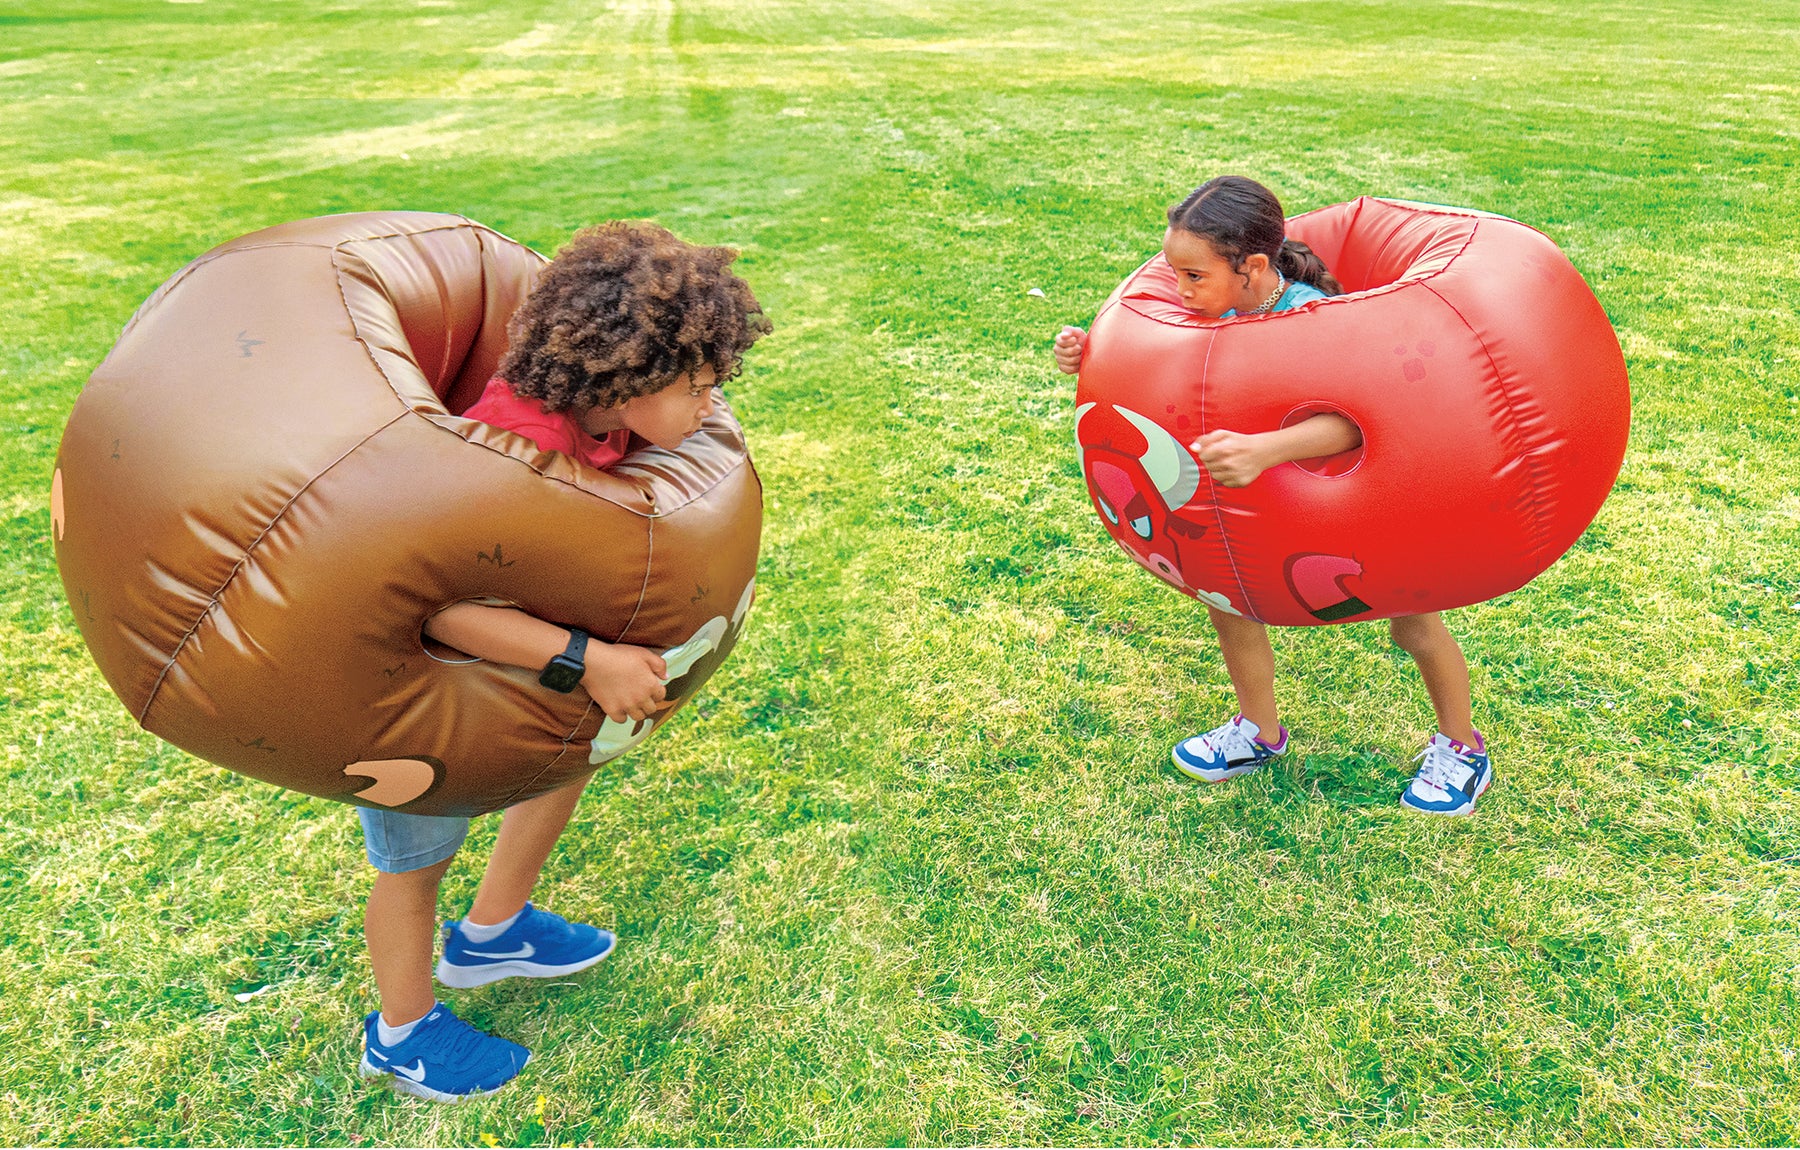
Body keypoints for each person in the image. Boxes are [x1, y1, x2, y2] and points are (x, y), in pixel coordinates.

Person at [358, 221, 771, 1102]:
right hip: (427, 684)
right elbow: (437, 605)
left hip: (526, 673)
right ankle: (400, 1033)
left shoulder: (612, 430)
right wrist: (583, 657)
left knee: (565, 765)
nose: (712, 407)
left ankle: (493, 930)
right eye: (697, 387)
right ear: (625, 374)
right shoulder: (511, 447)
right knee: (415, 862)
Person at [1053, 175, 1491, 817]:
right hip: (1257, 511)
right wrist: (1090, 353)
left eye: (1194, 276)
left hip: (1347, 505)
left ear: (1252, 267)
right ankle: (1258, 730)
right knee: (1230, 606)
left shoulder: (1312, 318)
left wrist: (1266, 449)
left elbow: (1360, 423)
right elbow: (1160, 376)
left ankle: (1462, 747)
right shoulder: (1211, 313)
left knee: (1414, 624)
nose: (1180, 291)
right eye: (1175, 274)